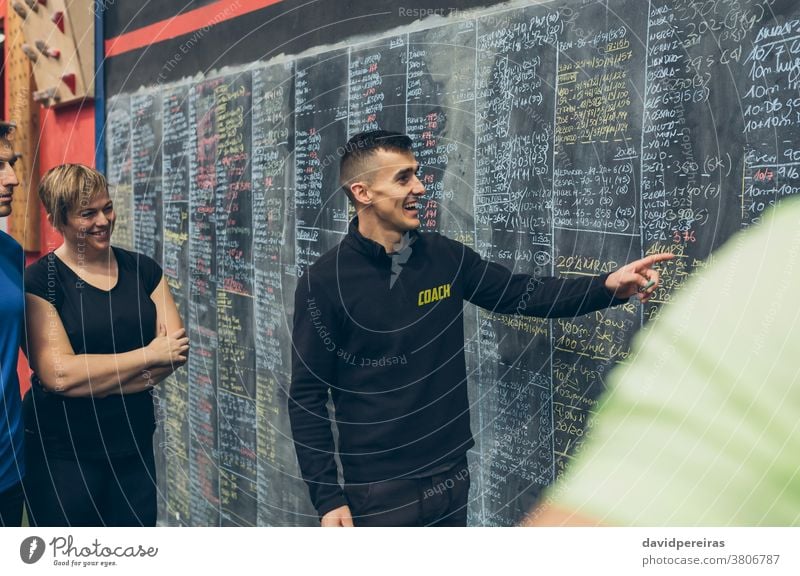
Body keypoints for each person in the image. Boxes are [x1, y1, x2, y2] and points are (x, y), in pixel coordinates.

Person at [289, 130, 673, 527]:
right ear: (362, 192)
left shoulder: (443, 257)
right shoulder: (324, 282)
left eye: (417, 175)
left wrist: (606, 286)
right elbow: (307, 396)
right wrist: (328, 498)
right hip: (378, 491)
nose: (420, 187)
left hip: (451, 476)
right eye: (403, 178)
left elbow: (522, 293)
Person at [525, 196, 800, 527]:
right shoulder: (782, 261)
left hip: (450, 466)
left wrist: (605, 287)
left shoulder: (778, 258)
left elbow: (518, 292)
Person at [23, 164, 189, 526]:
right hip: (63, 454)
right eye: (87, 213)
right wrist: (148, 354)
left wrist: (94, 381)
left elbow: (175, 353)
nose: (103, 220)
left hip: (132, 445)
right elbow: (59, 375)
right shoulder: (39, 282)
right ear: (58, 220)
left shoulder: (143, 271)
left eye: (107, 207)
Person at [0, 121, 24, 526]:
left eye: (13, 163)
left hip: (12, 461)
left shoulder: (10, 252)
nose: (14, 178)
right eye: (0, 166)